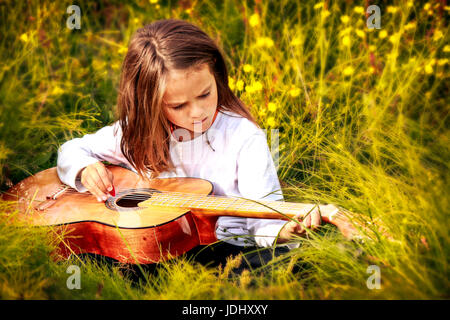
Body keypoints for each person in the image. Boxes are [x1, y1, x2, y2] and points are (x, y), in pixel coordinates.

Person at [57, 19, 340, 276]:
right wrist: (85, 170)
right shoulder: (136, 133)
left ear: (216, 76)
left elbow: (263, 215)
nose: (198, 112)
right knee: (90, 257)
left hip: (227, 249)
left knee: (284, 267)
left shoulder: (244, 136)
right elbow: (71, 150)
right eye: (178, 105)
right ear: (150, 105)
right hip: (155, 248)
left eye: (205, 93)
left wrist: (284, 230)